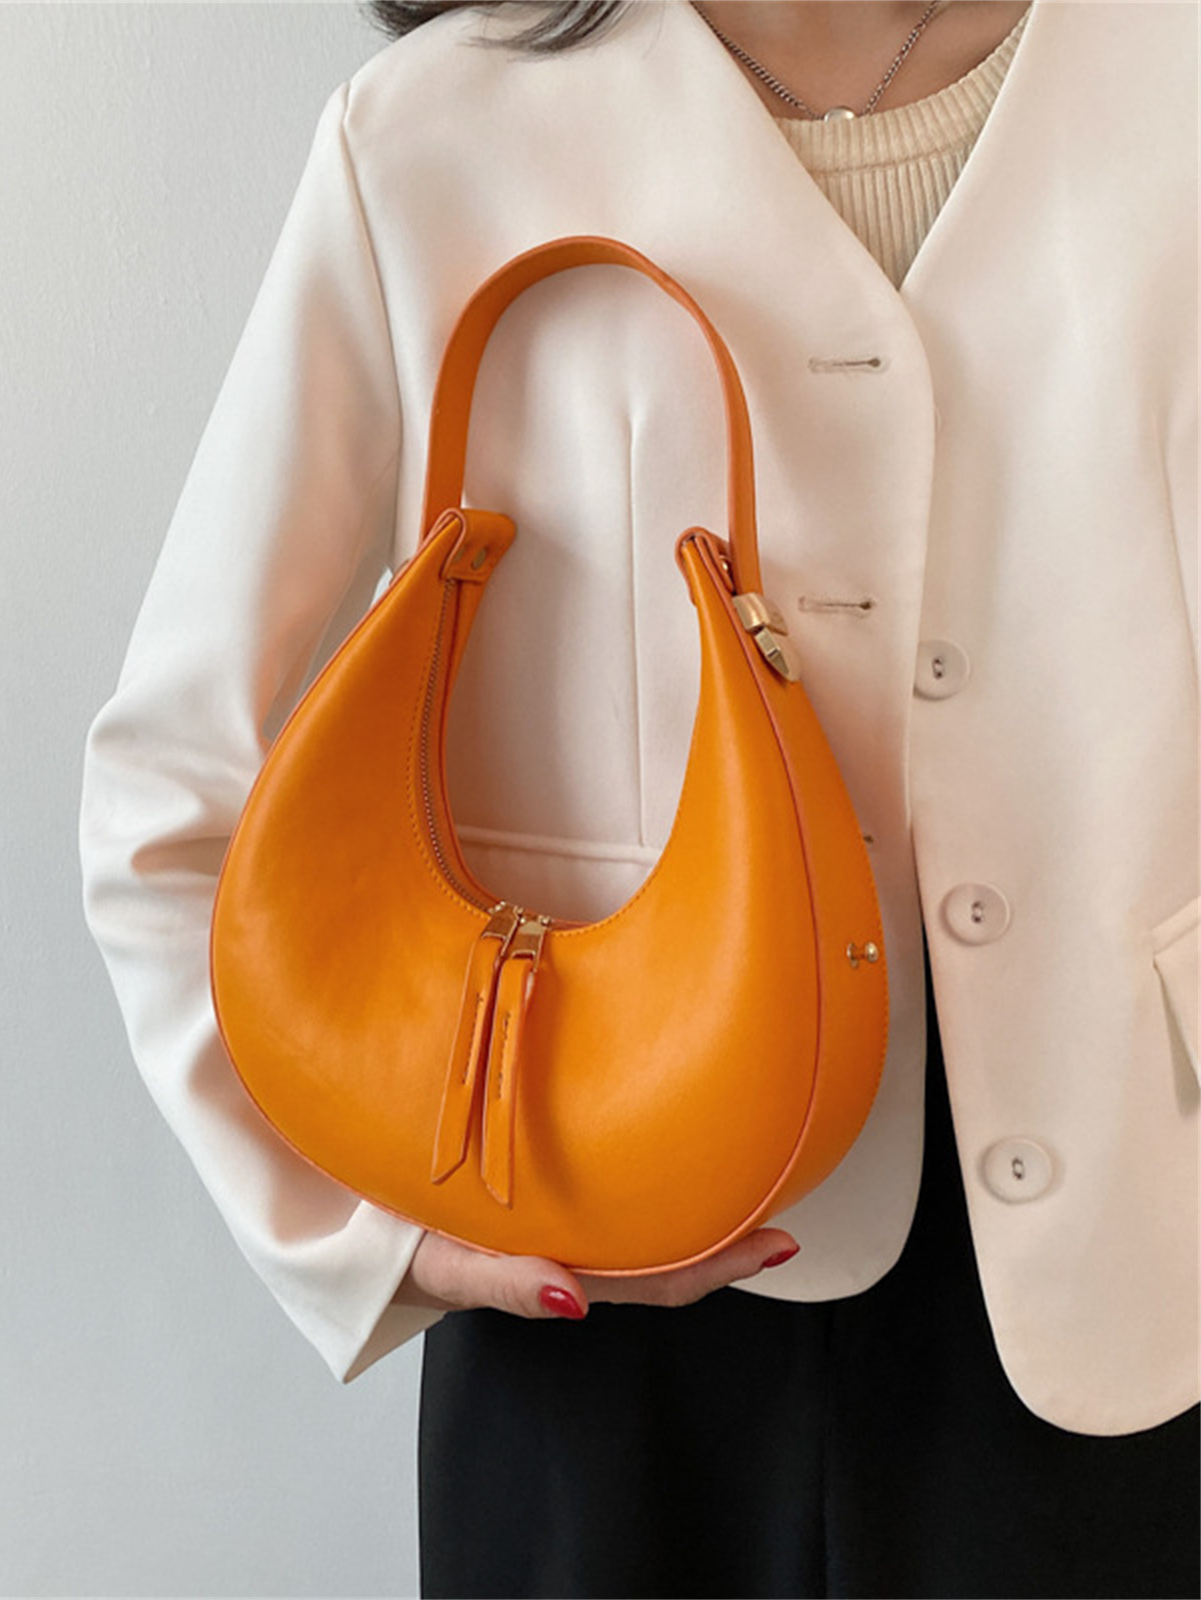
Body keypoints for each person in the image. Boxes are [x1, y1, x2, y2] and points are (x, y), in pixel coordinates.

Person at [78, 2, 1199, 1594]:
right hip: (598, 1282)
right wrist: (375, 1238)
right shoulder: (435, 137)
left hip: (1143, 1273)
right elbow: (170, 790)